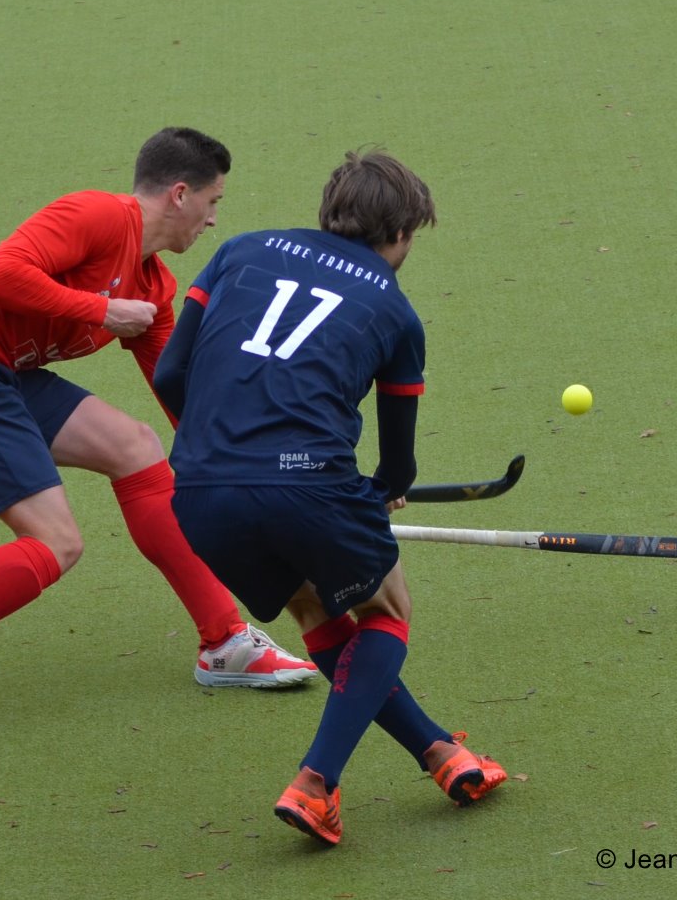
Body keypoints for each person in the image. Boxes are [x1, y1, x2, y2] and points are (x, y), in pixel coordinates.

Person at [0, 128, 317, 743]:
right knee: (55, 541)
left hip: (1, 372)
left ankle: (225, 644)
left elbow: (185, 402)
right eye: (213, 202)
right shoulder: (97, 215)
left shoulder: (153, 290)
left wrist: (250, 469)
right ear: (179, 195)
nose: (214, 219)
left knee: (136, 447)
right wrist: (98, 310)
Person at [153, 149, 507, 845]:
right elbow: (397, 462)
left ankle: (442, 755)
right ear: (402, 232)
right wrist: (378, 495)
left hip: (198, 487)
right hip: (307, 484)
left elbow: (171, 372)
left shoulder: (239, 251)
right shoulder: (396, 312)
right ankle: (316, 781)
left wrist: (222, 453)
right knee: (388, 609)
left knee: (317, 605)